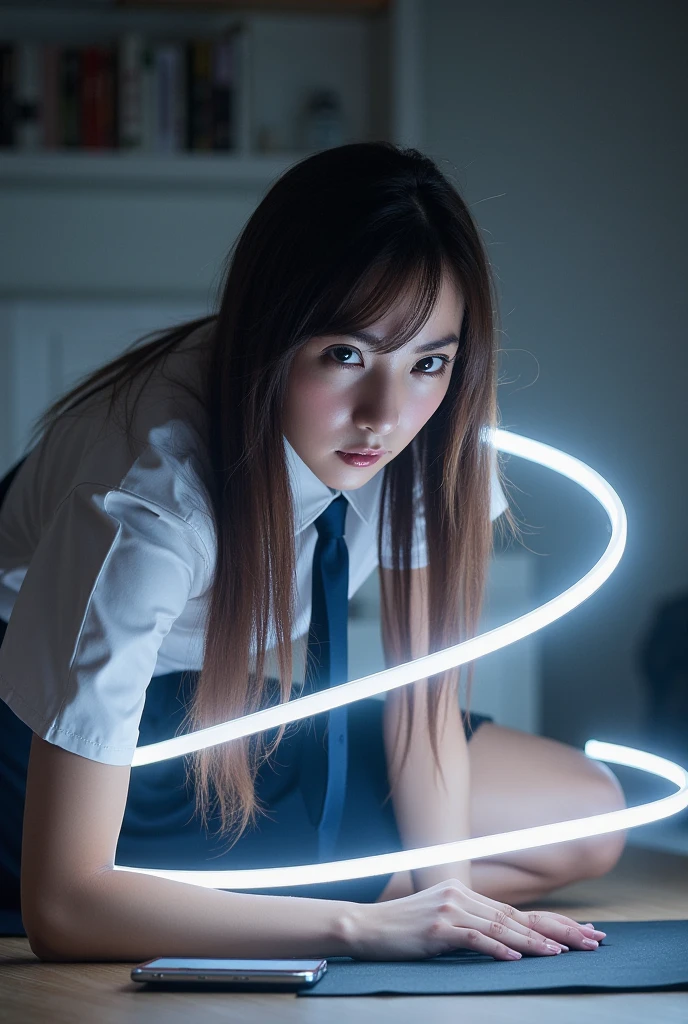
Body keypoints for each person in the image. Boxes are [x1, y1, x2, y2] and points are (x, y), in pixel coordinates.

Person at [0, 142, 620, 963]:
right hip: (47, 736)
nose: (384, 415)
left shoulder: (430, 438)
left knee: (587, 817)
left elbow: (423, 709)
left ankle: (249, 897)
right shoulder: (150, 506)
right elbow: (64, 907)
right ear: (272, 332)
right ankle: (251, 900)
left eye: (428, 362)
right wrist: (357, 926)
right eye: (346, 355)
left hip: (222, 709)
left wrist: (453, 903)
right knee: (121, 896)